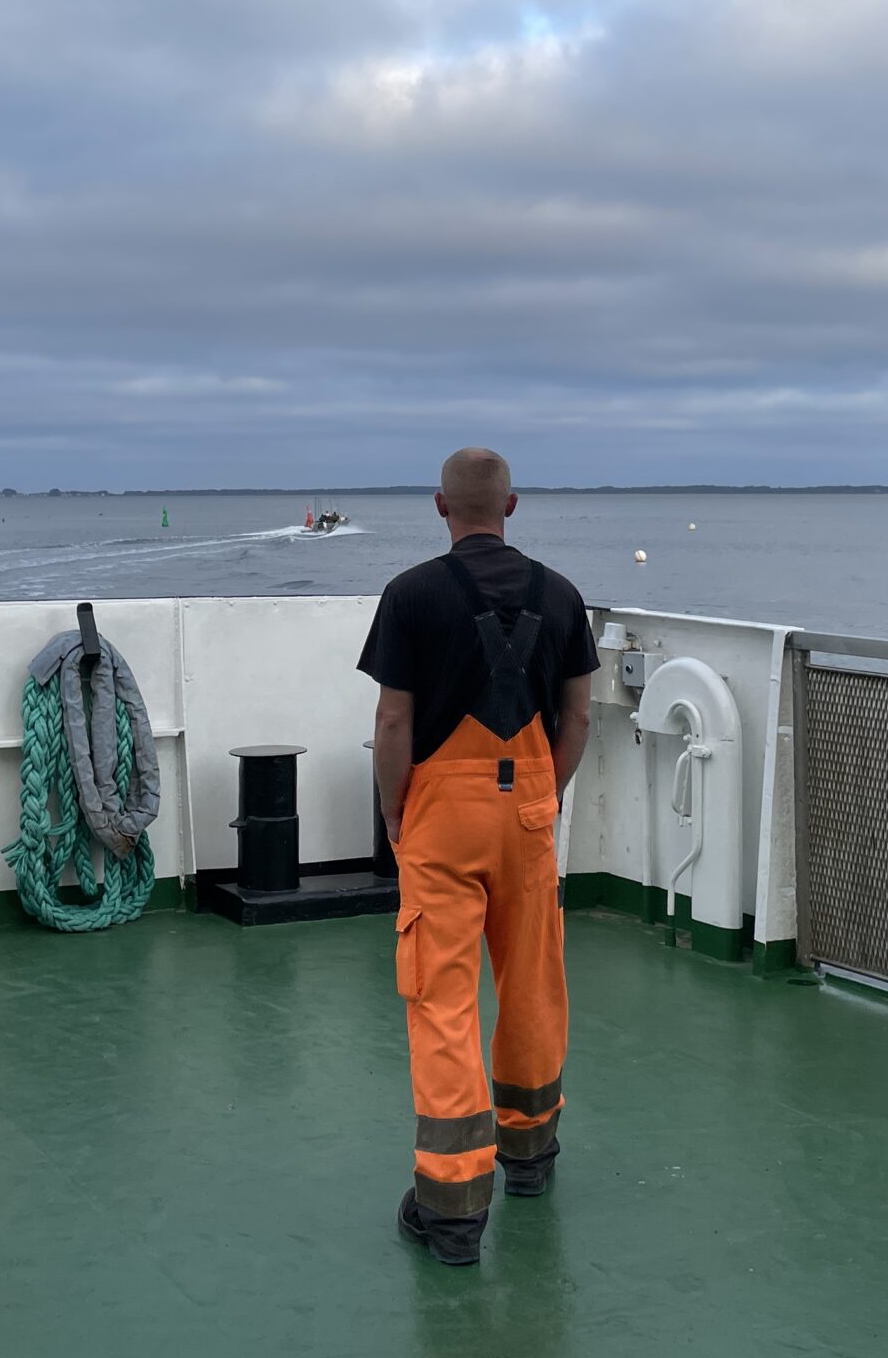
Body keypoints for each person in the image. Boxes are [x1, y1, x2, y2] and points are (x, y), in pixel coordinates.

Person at [358, 447, 597, 1265]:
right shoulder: (561, 596)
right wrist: (544, 795)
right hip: (528, 811)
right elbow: (579, 721)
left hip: (442, 819)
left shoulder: (411, 595)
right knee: (533, 982)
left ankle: (453, 1206)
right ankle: (530, 1155)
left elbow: (395, 722)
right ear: (513, 506)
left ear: (439, 506)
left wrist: (397, 809)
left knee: (443, 998)